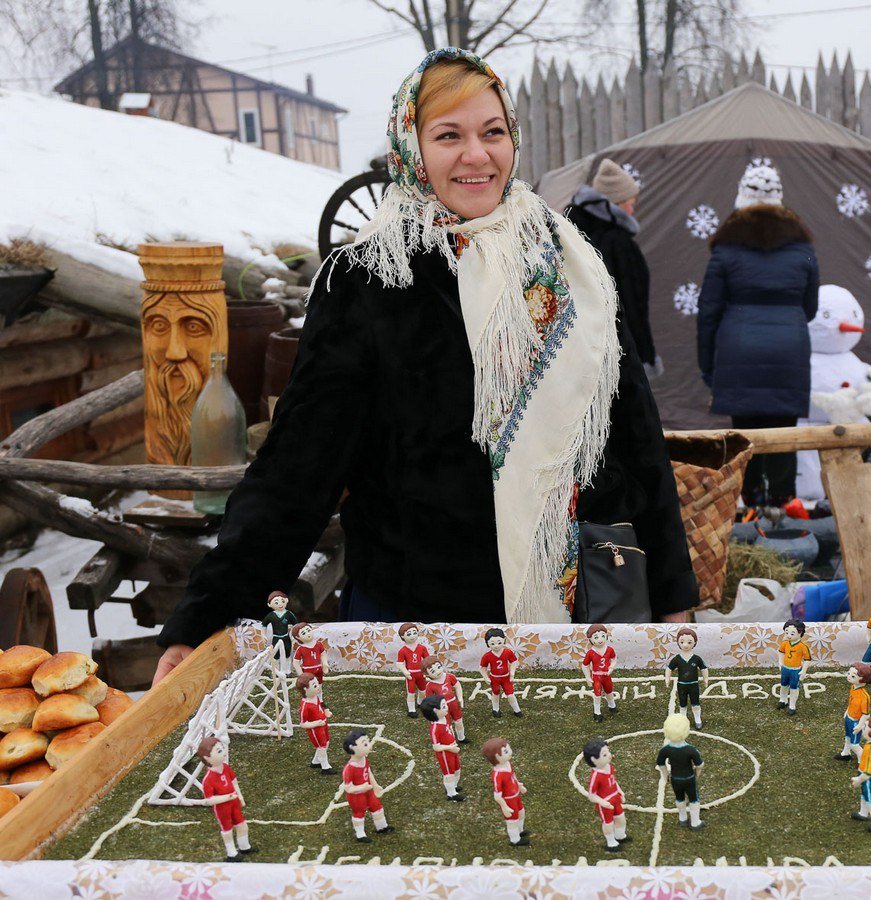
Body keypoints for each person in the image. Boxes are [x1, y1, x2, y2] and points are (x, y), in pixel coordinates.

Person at [152, 48, 697, 683]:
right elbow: (298, 467)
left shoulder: (571, 266)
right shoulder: (369, 281)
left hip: (586, 613)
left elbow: (634, 436)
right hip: (424, 632)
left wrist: (669, 584)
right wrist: (207, 615)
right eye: (449, 135)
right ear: (409, 149)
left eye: (493, 132)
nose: (477, 154)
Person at [697, 159, 819, 507]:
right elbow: (809, 307)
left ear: (741, 200)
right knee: (783, 436)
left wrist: (709, 368)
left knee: (744, 439)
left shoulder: (725, 248)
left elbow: (707, 312)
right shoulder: (803, 248)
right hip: (788, 351)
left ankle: (747, 512)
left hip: (738, 351)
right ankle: (784, 512)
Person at [565, 159, 660, 379]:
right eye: (630, 202)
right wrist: (644, 354)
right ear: (617, 204)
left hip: (578, 347)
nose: (633, 209)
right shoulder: (619, 243)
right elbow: (632, 304)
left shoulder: (571, 234)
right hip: (619, 351)